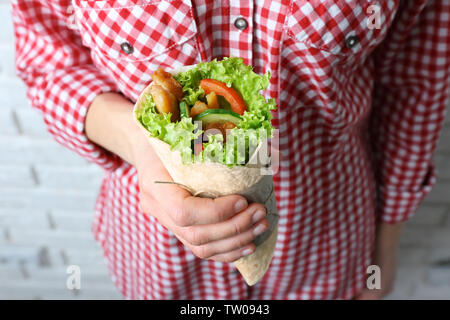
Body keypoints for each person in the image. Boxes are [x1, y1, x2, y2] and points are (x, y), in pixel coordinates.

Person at [12, 0, 450, 300]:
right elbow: (51, 62)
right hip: (156, 252)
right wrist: (145, 148)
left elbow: (414, 86)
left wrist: (385, 244)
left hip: (324, 239)